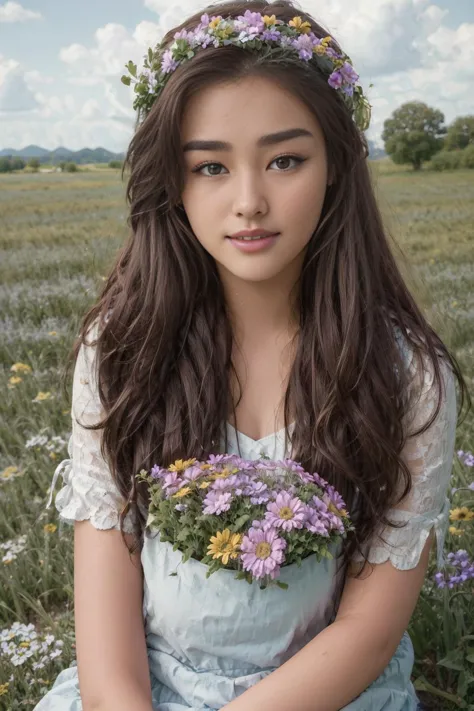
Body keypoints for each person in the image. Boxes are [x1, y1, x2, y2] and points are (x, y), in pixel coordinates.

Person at [35, 2, 470, 710]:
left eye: (286, 160)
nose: (248, 201)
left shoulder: (406, 374)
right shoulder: (119, 351)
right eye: (210, 166)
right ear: (172, 183)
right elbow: (106, 620)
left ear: (336, 166)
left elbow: (366, 629)